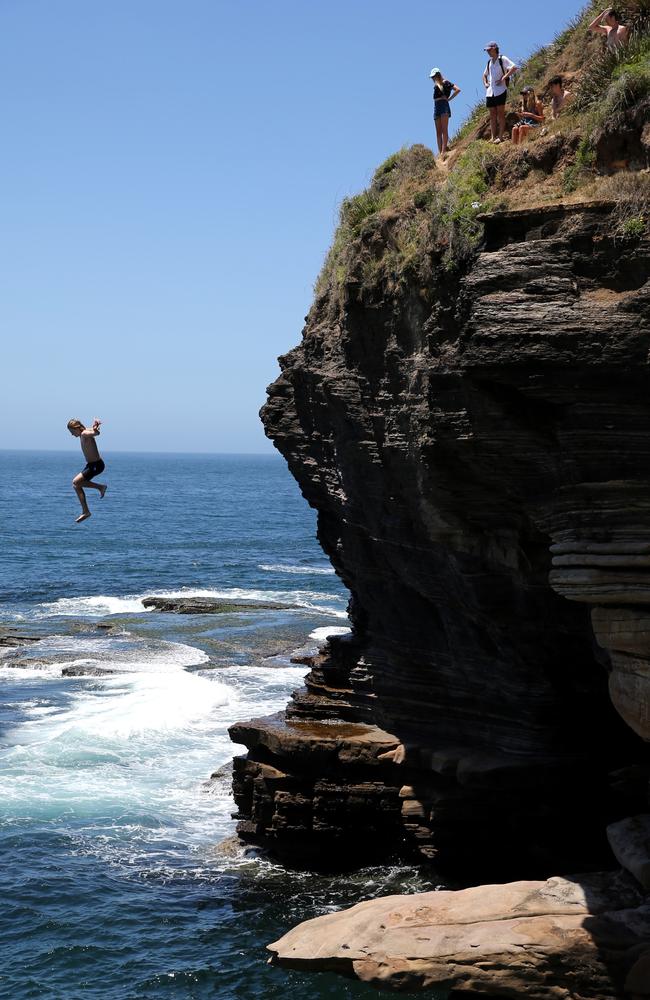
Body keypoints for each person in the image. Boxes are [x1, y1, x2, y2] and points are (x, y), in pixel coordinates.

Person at [67, 417, 107, 523]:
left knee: (76, 482)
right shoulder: (84, 432)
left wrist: (95, 430)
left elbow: (95, 434)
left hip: (96, 465)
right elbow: (94, 431)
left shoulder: (84, 433)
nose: (71, 435)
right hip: (91, 465)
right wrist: (95, 427)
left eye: (72, 432)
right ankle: (86, 510)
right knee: (76, 484)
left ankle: (100, 488)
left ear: (76, 428)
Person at [482, 42, 517, 143]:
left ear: (494, 48)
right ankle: (493, 137)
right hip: (490, 91)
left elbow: (514, 67)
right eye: (487, 50)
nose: (488, 52)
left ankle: (500, 136)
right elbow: (484, 75)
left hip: (501, 90)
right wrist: (485, 83)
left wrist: (504, 77)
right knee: (492, 114)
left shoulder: (502, 59)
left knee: (500, 113)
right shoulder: (489, 62)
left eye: (489, 50)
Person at [430, 68, 461, 157]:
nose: (432, 78)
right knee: (438, 132)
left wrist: (449, 99)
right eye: (432, 77)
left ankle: (443, 151)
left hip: (444, 106)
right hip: (436, 107)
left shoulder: (445, 82)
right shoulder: (436, 85)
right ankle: (440, 152)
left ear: (438, 75)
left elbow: (458, 89)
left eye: (433, 76)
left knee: (444, 130)